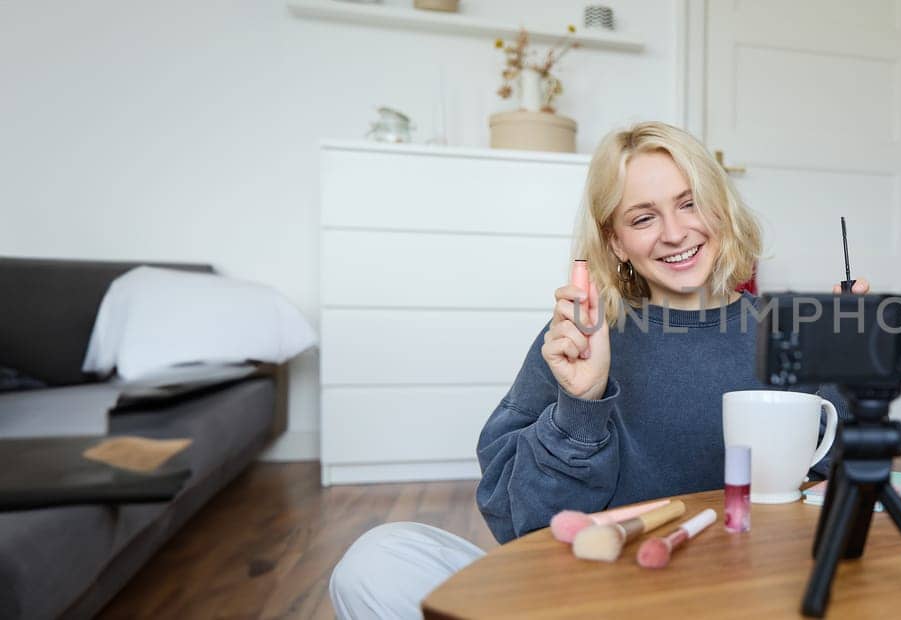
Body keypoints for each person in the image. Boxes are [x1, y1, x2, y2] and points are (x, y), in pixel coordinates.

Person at [328, 121, 868, 619]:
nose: (676, 233)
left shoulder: (795, 331)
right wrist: (580, 406)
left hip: (744, 593)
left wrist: (852, 368)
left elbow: (839, 496)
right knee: (377, 561)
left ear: (722, 208)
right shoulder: (578, 339)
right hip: (590, 595)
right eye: (643, 217)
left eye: (690, 204)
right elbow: (521, 523)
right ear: (616, 242)